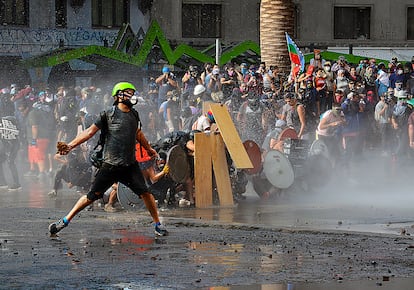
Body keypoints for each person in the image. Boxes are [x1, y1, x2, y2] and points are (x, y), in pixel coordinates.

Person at [48, 82, 168, 237]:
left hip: (130, 165)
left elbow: (137, 133)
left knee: (146, 193)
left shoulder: (134, 114)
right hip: (110, 165)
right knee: (92, 196)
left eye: (132, 92)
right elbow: (89, 132)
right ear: (118, 96)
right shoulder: (107, 114)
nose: (131, 96)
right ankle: (64, 221)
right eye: (127, 93)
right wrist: (70, 146)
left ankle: (158, 224)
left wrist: (148, 148)